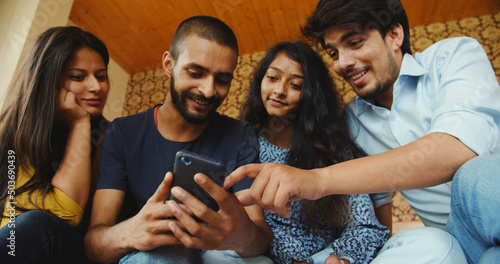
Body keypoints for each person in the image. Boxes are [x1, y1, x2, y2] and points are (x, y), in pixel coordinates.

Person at [225, 0, 500, 263]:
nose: (342, 63)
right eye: (333, 53)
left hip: (488, 205)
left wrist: (315, 181)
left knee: (473, 174)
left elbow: (457, 148)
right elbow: (377, 212)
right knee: (437, 244)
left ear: (394, 34)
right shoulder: (353, 121)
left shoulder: (452, 56)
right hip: (459, 245)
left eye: (355, 43)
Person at [84, 15, 273, 264]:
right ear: (168, 64)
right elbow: (93, 244)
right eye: (195, 73)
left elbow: (259, 238)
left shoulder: (240, 135)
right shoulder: (123, 133)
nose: (207, 90)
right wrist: (128, 233)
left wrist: (241, 235)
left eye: (222, 80)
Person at [241, 41, 389, 264]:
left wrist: (343, 259)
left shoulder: (332, 147)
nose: (279, 91)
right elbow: (250, 228)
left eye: (296, 85)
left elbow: (364, 224)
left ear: (311, 94)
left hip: (330, 256)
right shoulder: (246, 146)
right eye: (272, 78)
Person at [0, 26, 110, 263]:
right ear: (48, 80)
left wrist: (79, 123)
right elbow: (12, 216)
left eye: (101, 76)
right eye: (78, 77)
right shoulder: (14, 131)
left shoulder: (109, 136)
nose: (96, 87)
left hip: (75, 251)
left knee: (34, 224)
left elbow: (64, 213)